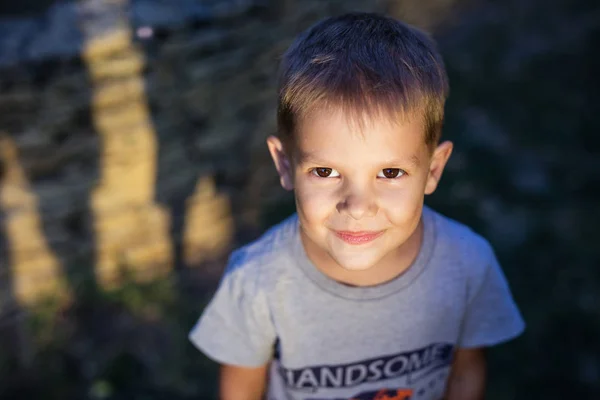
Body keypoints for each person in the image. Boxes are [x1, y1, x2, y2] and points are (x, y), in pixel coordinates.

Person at [189, 12, 525, 400]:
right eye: (326, 171)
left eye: (391, 173)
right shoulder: (257, 280)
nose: (358, 206)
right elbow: (241, 389)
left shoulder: (468, 265)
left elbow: (466, 374)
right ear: (285, 165)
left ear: (433, 170)